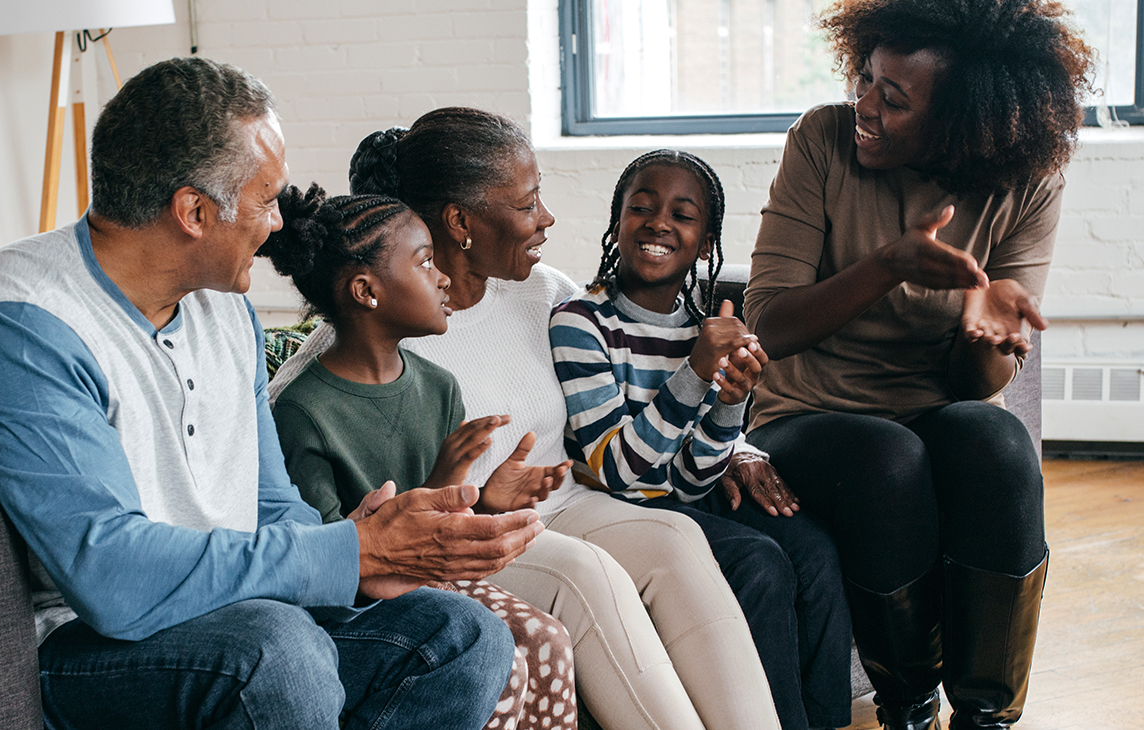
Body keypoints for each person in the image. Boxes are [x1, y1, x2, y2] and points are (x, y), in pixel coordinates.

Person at [0, 58, 545, 730]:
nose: (278, 224)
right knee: (276, 652)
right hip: (81, 647)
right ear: (193, 211)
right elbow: (111, 576)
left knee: (462, 637)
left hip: (237, 618)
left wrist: (360, 561)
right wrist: (349, 552)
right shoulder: (22, 328)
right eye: (266, 198)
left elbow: (269, 502)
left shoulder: (223, 311)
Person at [271, 108, 780, 730]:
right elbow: (301, 422)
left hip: (568, 502)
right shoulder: (383, 327)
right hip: (479, 530)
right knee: (584, 575)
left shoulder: (544, 292)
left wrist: (741, 438)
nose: (547, 218)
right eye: (528, 201)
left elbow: (637, 381)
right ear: (461, 222)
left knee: (675, 538)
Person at [742, 2, 1093, 729]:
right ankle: (907, 708)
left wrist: (984, 344)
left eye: (893, 99)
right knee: (887, 455)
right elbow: (768, 326)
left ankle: (985, 715)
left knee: (995, 443)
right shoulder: (823, 139)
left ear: (966, 121)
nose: (864, 105)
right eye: (867, 80)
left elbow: (978, 389)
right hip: (811, 417)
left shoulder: (1026, 179)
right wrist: (888, 265)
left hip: (936, 407)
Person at [549, 148, 852, 730]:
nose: (659, 222)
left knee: (813, 552)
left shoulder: (703, 330)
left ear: (707, 243)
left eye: (682, 215)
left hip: (683, 498)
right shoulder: (580, 322)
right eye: (641, 207)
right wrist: (693, 373)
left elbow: (693, 476)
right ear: (618, 224)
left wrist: (732, 400)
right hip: (617, 508)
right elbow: (619, 472)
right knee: (759, 561)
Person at [262, 182, 579, 730]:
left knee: (547, 639)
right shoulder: (303, 413)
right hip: (359, 604)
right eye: (426, 260)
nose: (442, 277)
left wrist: (482, 499)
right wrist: (444, 484)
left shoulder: (438, 386)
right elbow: (332, 559)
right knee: (506, 659)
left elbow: (434, 524)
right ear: (367, 291)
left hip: (429, 578)